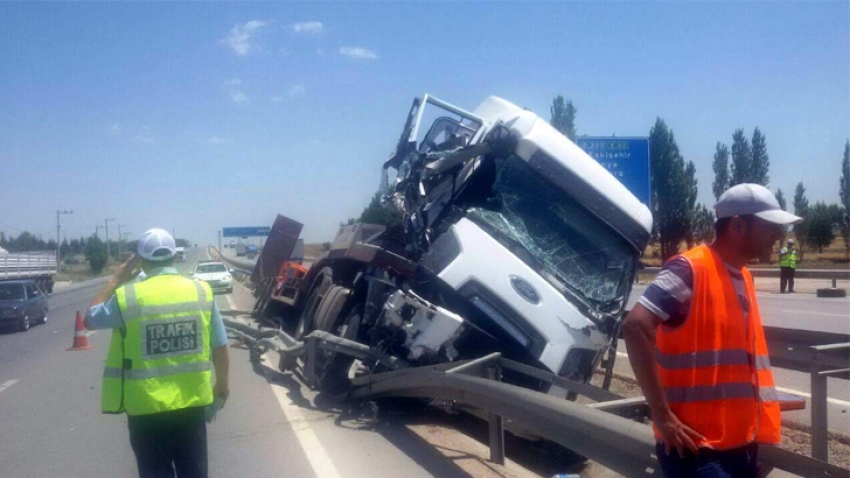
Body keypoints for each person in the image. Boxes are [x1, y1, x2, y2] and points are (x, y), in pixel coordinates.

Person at [623, 183, 802, 477]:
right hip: (697, 452)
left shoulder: (744, 277)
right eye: (770, 226)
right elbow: (635, 326)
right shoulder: (688, 269)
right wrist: (662, 416)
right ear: (737, 226)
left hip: (741, 447)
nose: (777, 236)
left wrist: (760, 437)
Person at [84, 228, 230, 478]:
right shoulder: (201, 291)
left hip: (145, 412)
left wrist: (116, 279)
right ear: (175, 257)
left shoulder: (127, 297)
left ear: (140, 261)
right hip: (191, 408)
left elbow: (90, 320)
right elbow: (220, 346)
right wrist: (222, 387)